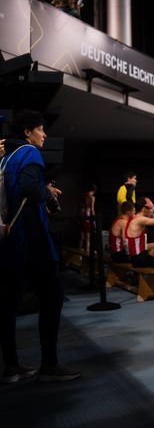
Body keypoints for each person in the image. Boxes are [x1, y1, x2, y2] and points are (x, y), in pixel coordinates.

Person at [0, 109, 80, 383]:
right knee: (54, 296)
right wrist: (46, 190)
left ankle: (11, 366)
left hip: (8, 241)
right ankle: (49, 364)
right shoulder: (30, 154)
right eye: (41, 129)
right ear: (27, 132)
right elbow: (28, 190)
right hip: (31, 241)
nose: (45, 134)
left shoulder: (6, 158)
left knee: (8, 305)